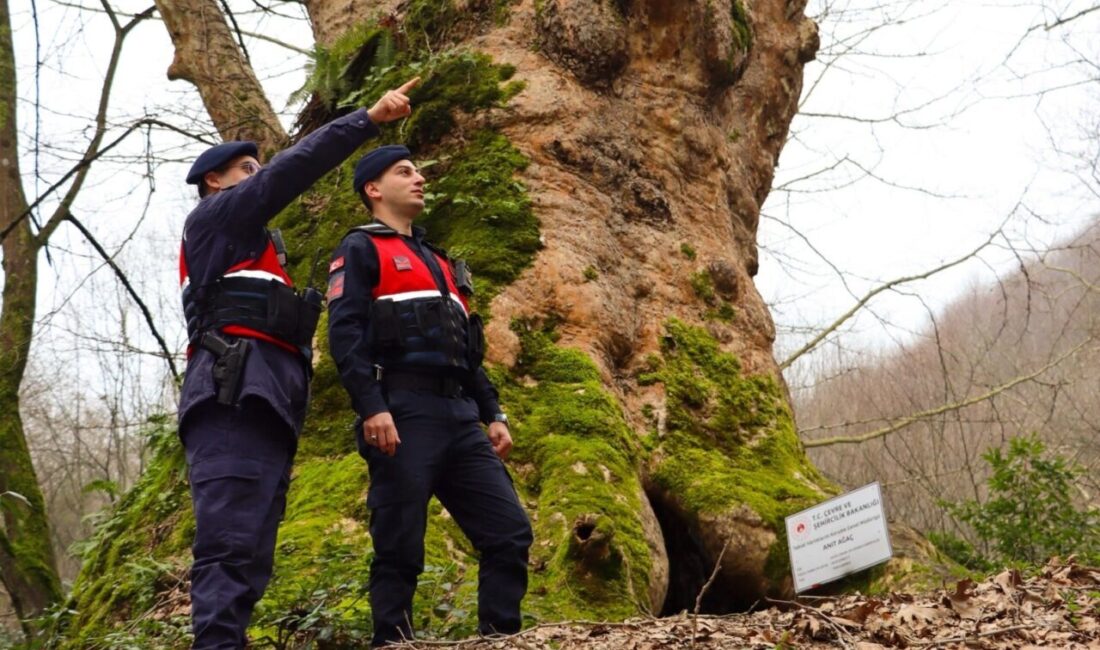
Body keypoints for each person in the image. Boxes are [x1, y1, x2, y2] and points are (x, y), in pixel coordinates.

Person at [177, 78, 419, 650]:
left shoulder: (255, 249)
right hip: (230, 400)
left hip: (268, 406)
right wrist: (367, 119)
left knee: (253, 555)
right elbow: (294, 169)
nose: (256, 177)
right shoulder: (215, 222)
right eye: (245, 170)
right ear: (216, 181)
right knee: (228, 547)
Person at [327, 144, 533, 647]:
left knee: (509, 532)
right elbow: (345, 335)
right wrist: (372, 406)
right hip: (402, 410)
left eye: (418, 170)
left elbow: (468, 350)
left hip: (460, 416)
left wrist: (494, 412)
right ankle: (392, 641)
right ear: (373, 189)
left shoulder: (440, 261)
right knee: (399, 544)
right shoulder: (359, 249)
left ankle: (500, 638)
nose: (419, 178)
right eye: (404, 172)